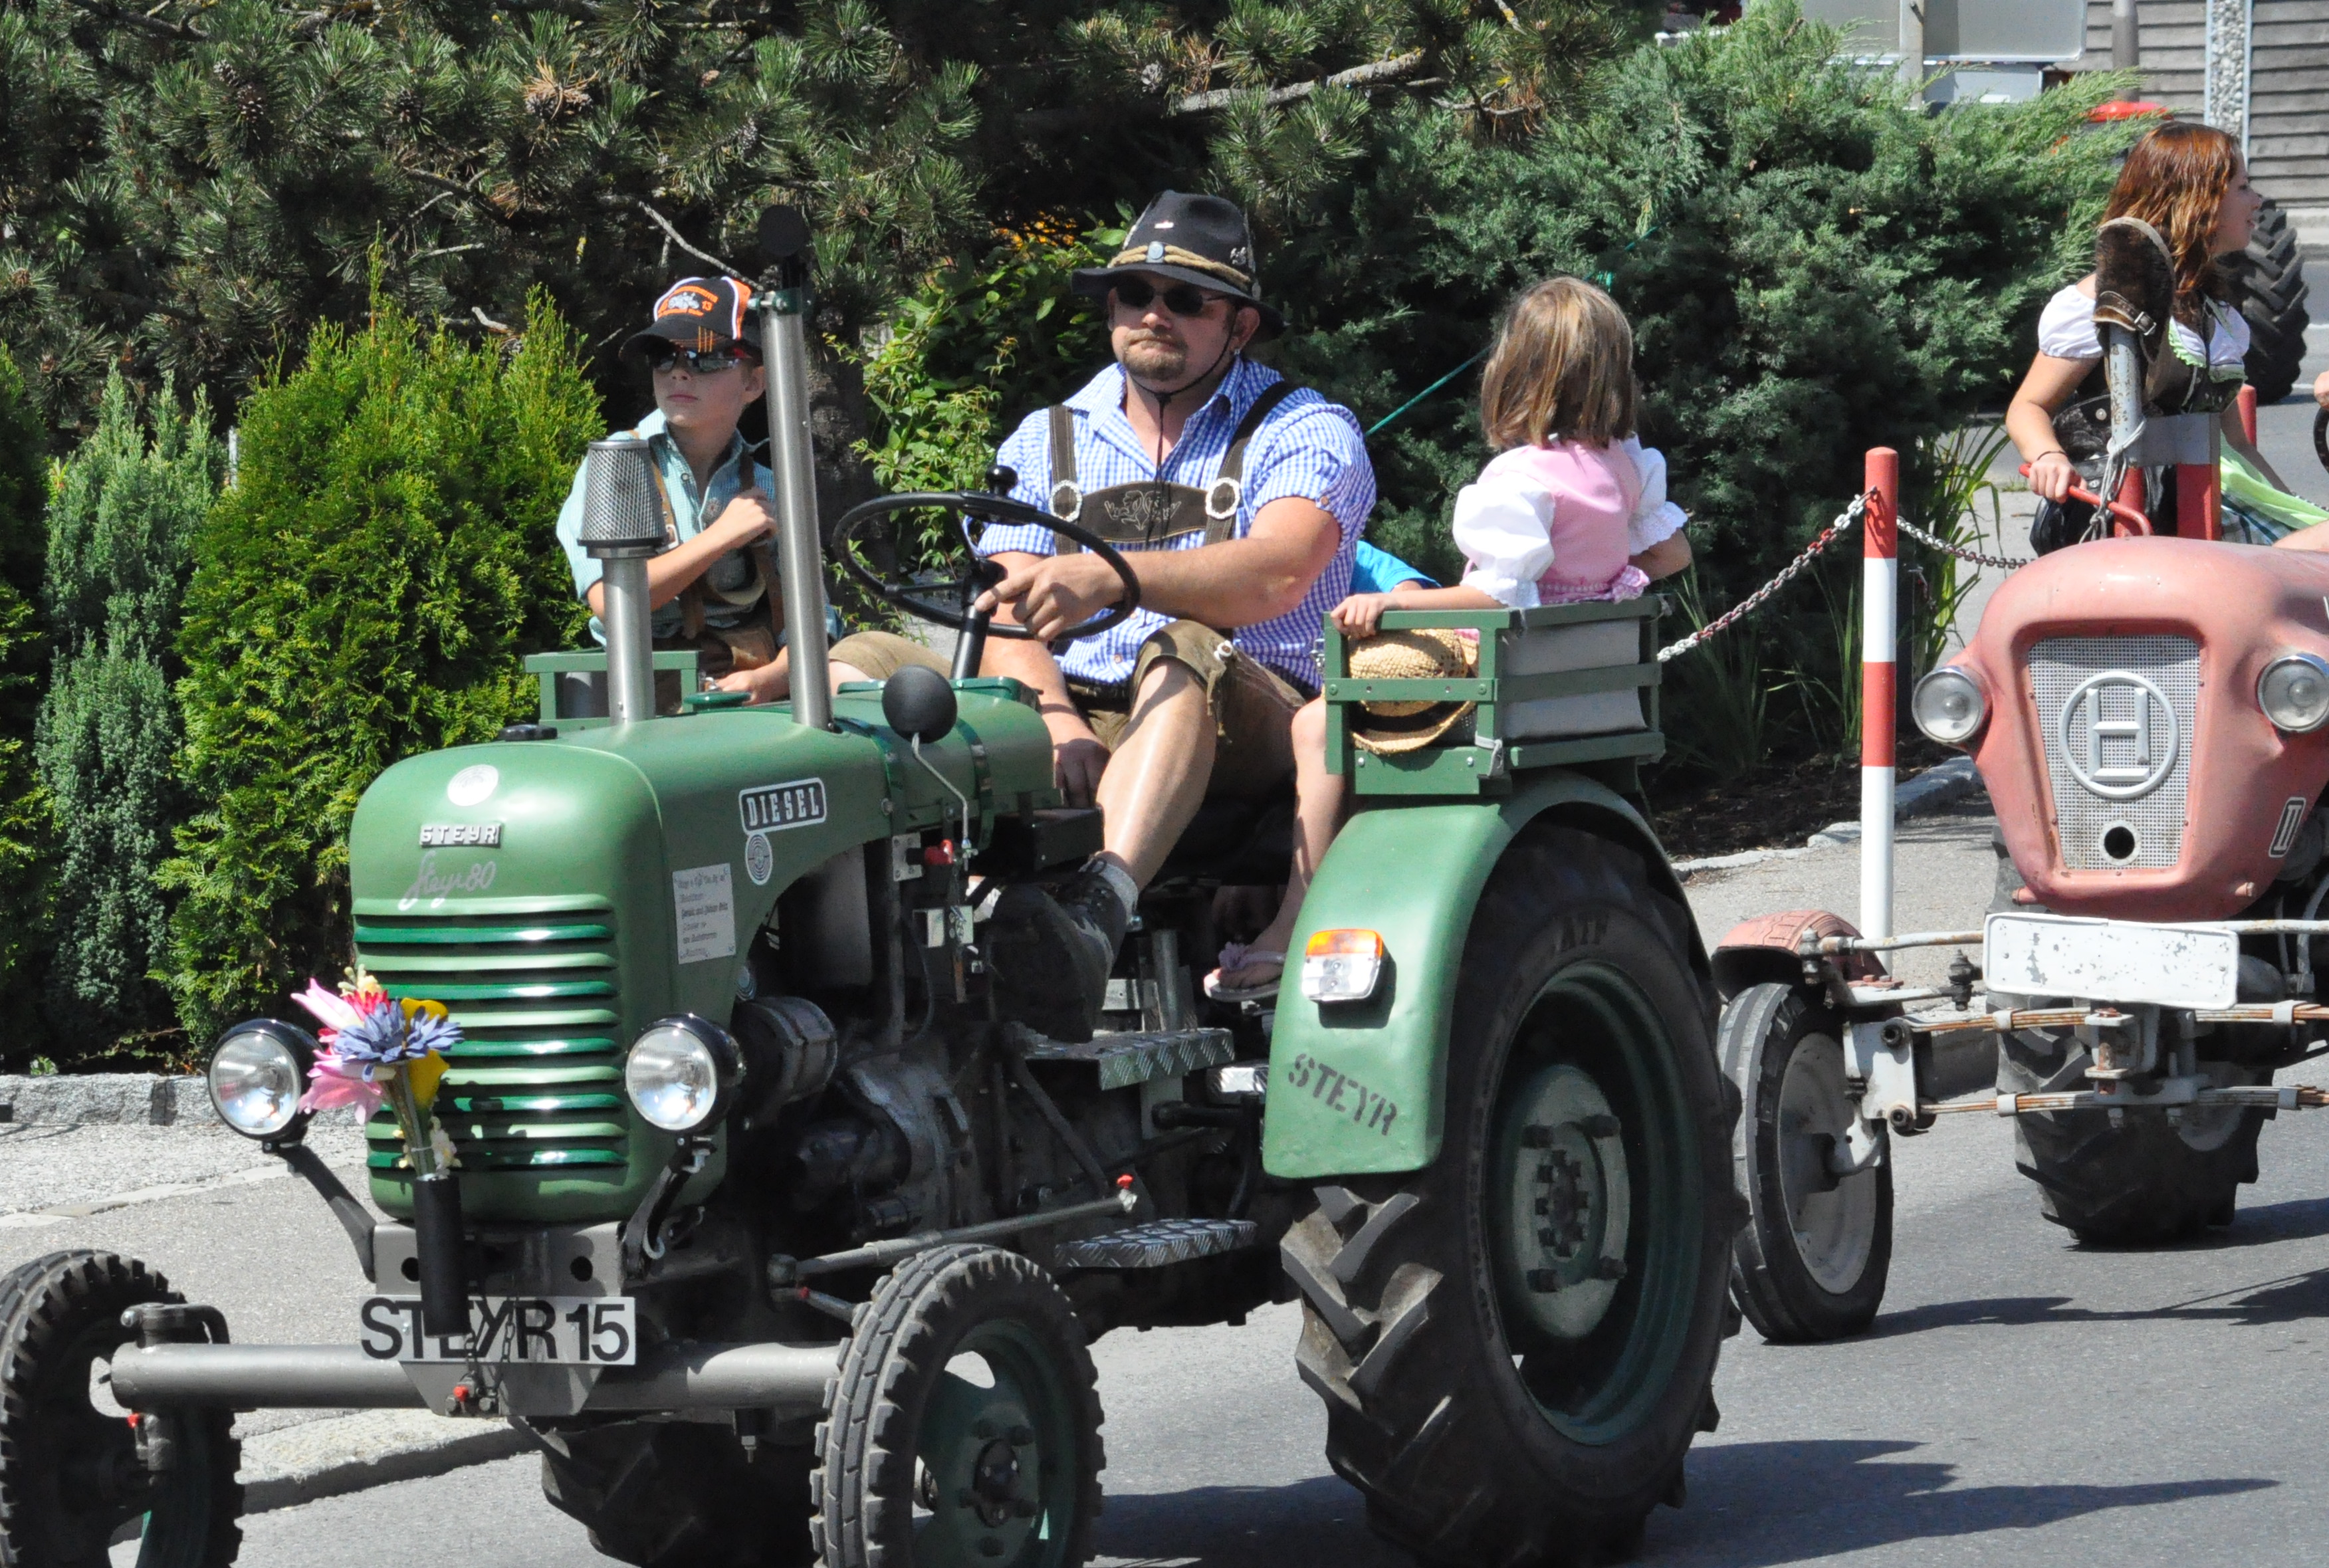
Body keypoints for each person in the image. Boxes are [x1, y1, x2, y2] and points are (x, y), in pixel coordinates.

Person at [836, 191, 1375, 1036]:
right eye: (1133, 294)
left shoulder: (1305, 427)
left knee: (1181, 646)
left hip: (1249, 717)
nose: (1153, 314)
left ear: (1240, 326)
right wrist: (1055, 718)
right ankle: (858, 951)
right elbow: (1005, 601)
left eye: (1186, 299)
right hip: (1071, 711)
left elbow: (1274, 575)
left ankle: (1092, 919)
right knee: (863, 660)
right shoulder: (1044, 438)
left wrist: (1111, 580)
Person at [1210, 275, 1690, 1002]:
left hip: (1499, 673)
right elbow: (1670, 554)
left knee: (1316, 722)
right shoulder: (1627, 465)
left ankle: (1293, 915)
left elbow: (1497, 595)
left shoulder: (1520, 479)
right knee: (1358, 691)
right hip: (1566, 676)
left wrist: (1385, 605)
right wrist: (1604, 579)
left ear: (1516, 370)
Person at [2006, 122, 2298, 548]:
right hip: (2124, 511)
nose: (2257, 201)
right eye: (2242, 187)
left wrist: (2293, 510)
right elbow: (2028, 406)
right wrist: (2048, 456)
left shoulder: (2214, 312)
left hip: (2207, 498)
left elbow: (2236, 443)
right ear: (2195, 200)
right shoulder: (2103, 301)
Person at [556, 276, 795, 702]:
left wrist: (771, 679)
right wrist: (721, 537)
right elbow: (613, 605)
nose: (679, 371)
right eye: (663, 356)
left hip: (752, 691)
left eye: (705, 357)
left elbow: (813, 619)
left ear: (753, 383)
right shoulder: (617, 464)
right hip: (642, 697)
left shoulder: (770, 485)